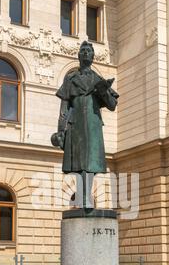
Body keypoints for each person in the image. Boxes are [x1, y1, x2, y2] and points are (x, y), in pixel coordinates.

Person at [51, 41, 119, 208]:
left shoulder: (98, 80)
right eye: (84, 51)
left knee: (91, 163)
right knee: (79, 163)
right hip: (76, 124)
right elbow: (64, 106)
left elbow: (112, 105)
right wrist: (61, 130)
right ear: (79, 56)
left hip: (93, 124)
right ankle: (83, 199)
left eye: (89, 51)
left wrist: (103, 91)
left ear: (93, 56)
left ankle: (85, 198)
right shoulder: (71, 78)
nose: (87, 53)